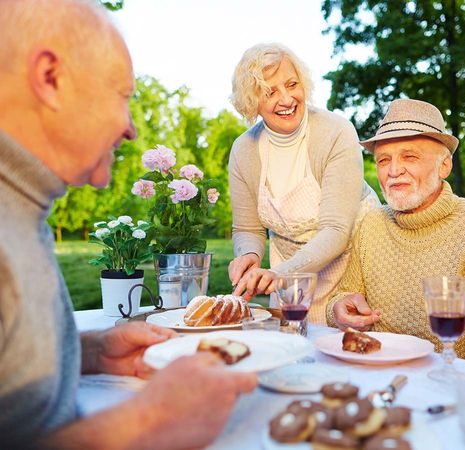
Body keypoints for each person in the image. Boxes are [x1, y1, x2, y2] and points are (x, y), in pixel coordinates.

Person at [0, 1, 256, 448]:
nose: (132, 129)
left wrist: (91, 351)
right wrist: (147, 422)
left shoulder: (22, 206)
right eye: (122, 97)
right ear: (50, 78)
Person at [326, 99, 465, 359]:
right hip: (375, 368)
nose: (393, 171)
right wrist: (339, 307)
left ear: (444, 166)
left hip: (449, 381)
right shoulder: (372, 223)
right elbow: (344, 293)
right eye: (383, 160)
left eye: (409, 157)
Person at [227, 43, 380, 323]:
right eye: (270, 92)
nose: (286, 99)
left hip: (352, 265)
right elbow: (247, 228)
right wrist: (248, 254)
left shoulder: (335, 132)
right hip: (286, 277)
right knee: (292, 351)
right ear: (252, 101)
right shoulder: (244, 150)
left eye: (292, 84)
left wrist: (282, 274)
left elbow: (335, 230)